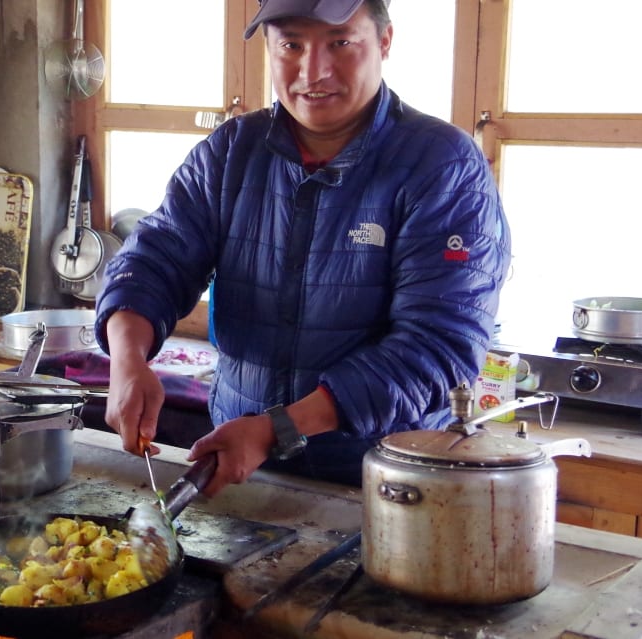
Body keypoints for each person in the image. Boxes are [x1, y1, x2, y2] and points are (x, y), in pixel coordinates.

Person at [94, 0, 512, 498]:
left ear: (383, 41)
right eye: (291, 45)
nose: (313, 72)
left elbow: (436, 345)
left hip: (386, 485)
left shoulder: (442, 167)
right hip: (240, 469)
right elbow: (153, 260)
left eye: (340, 43)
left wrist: (277, 429)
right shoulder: (230, 152)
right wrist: (127, 361)